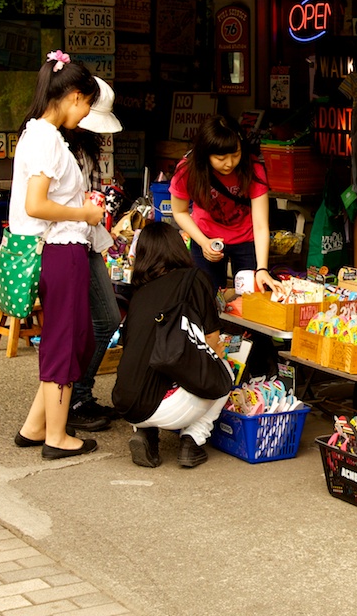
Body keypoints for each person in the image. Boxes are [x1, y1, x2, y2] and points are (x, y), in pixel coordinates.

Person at [12, 51, 107, 460]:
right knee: (65, 340)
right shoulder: (47, 138)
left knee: (75, 337)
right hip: (61, 249)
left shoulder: (37, 133)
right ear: (73, 97)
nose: (85, 115)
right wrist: (85, 213)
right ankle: (57, 436)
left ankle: (36, 426)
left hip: (60, 249)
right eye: (86, 105)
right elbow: (36, 205)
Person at [111, 220, 230, 468]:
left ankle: (145, 433)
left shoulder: (138, 294)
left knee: (151, 370)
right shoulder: (193, 278)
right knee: (224, 372)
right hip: (169, 408)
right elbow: (211, 339)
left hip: (127, 404)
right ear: (178, 247)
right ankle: (193, 441)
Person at [64, 77, 124, 432]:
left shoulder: (85, 147)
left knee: (106, 320)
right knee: (84, 325)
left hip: (87, 241)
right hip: (66, 244)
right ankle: (73, 400)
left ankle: (81, 395)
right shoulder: (53, 144)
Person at [169, 115, 281, 295]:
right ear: (205, 154)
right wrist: (203, 242)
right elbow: (179, 212)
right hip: (206, 236)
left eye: (235, 155)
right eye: (221, 158)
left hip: (247, 240)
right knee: (208, 297)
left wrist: (262, 268)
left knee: (250, 299)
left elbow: (261, 225)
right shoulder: (188, 169)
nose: (229, 163)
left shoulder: (252, 167)